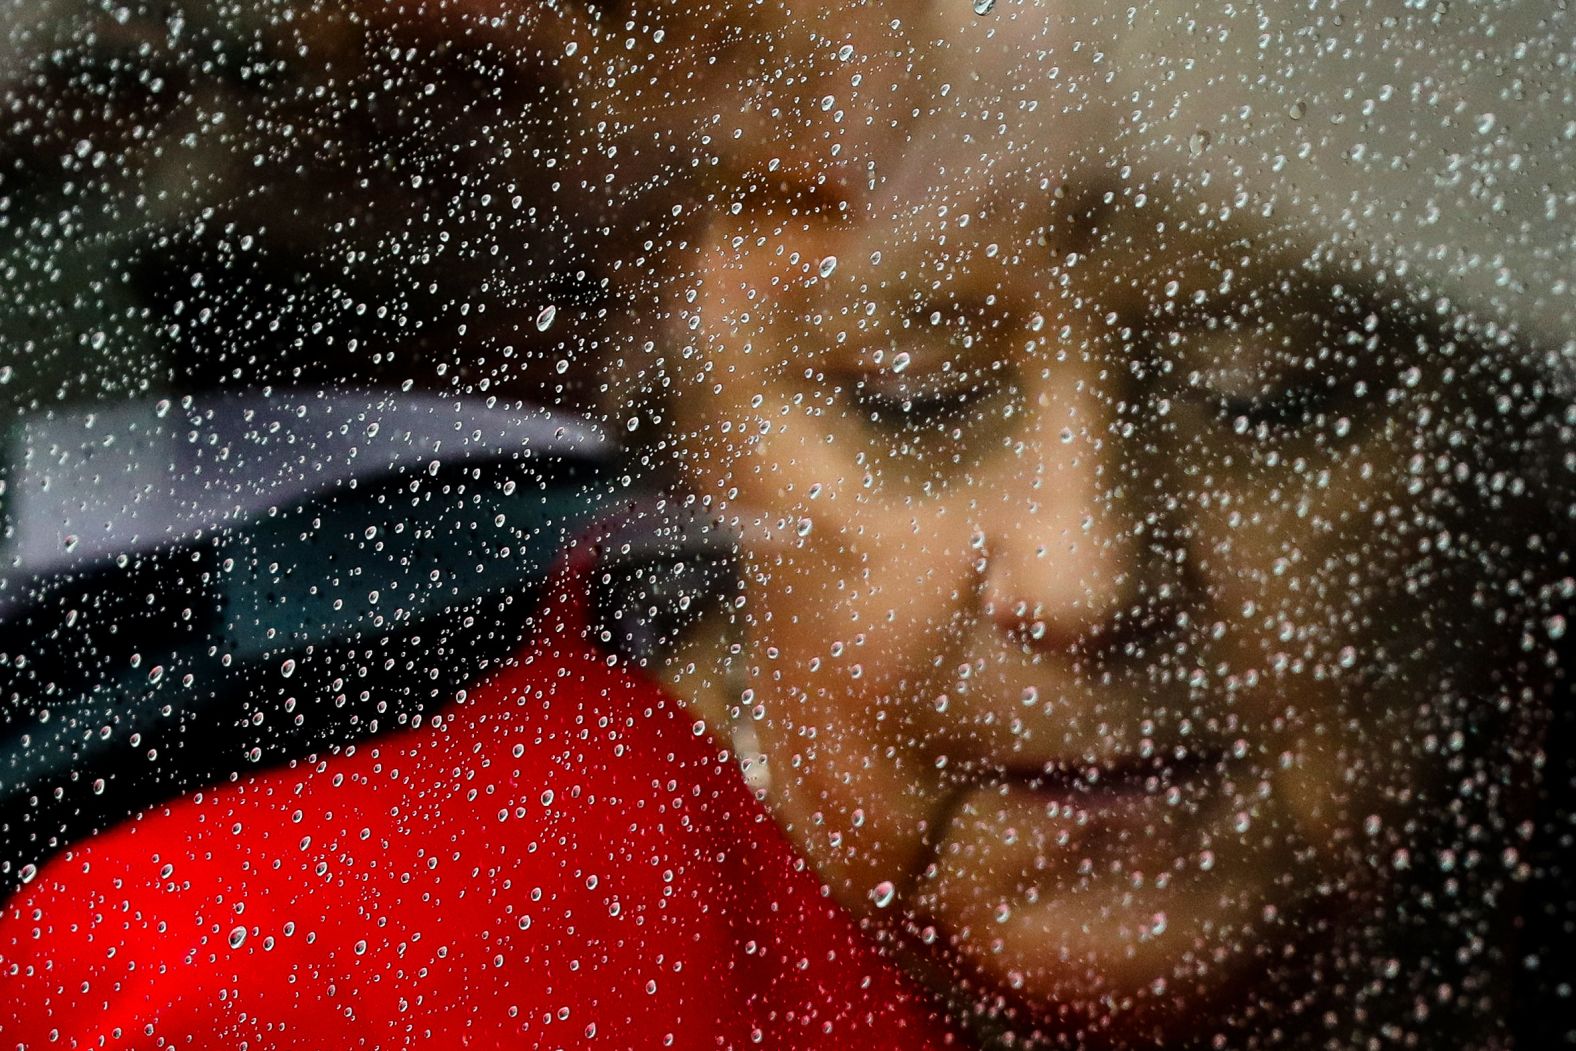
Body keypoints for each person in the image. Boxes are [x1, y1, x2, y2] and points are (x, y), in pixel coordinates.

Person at [3, 1, 1573, 1048]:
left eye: (1280, 392)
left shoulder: (1499, 876)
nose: (1085, 574)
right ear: (679, 416)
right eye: (909, 396)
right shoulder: (277, 989)